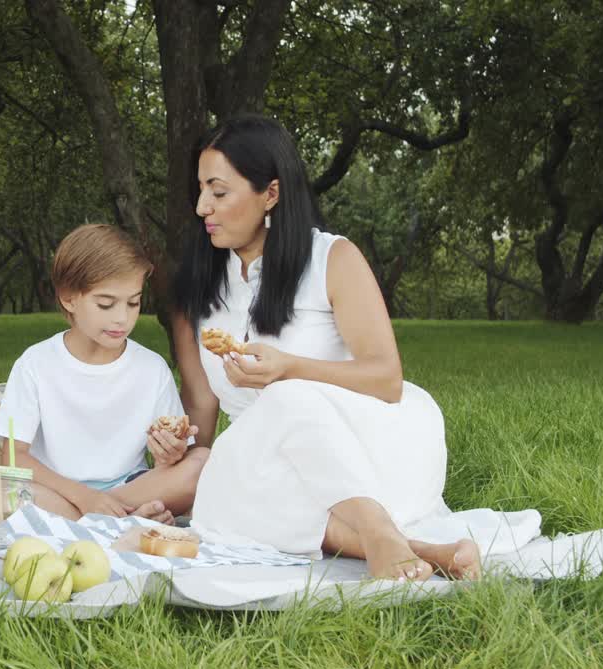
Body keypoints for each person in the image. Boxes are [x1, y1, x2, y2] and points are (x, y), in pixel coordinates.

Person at [171, 114, 480, 581]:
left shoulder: (332, 259)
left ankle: (377, 526)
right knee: (215, 503)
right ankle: (415, 549)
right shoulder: (199, 291)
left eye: (218, 192)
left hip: (374, 449)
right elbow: (204, 423)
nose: (201, 208)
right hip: (275, 474)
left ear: (270, 194)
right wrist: (174, 444)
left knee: (287, 395)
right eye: (200, 190)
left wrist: (289, 367)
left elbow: (387, 381)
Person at [0, 224, 209, 523]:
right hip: (56, 491)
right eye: (106, 304)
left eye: (133, 302)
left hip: (129, 488)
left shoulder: (152, 368)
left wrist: (169, 455)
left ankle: (91, 521)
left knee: (200, 463)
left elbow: (167, 465)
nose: (122, 318)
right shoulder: (35, 364)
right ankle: (121, 521)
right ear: (69, 298)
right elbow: (14, 458)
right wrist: (85, 498)